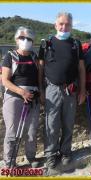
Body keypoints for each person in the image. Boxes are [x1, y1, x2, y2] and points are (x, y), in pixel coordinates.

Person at [38, 12, 86, 169]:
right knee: (51, 124)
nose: (64, 27)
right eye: (61, 24)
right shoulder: (46, 43)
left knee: (68, 123)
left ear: (71, 26)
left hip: (70, 90)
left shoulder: (76, 44)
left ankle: (65, 152)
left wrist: (82, 90)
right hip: (51, 89)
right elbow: (40, 68)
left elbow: (81, 68)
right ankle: (50, 154)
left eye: (67, 24)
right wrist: (41, 90)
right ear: (55, 25)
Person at [2, 26, 40, 168]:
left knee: (31, 130)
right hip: (14, 98)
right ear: (17, 40)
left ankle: (31, 157)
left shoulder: (34, 57)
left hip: (33, 98)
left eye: (29, 38)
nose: (26, 40)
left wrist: (39, 93)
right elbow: (5, 80)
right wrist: (21, 92)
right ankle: (9, 161)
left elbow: (39, 78)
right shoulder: (10, 56)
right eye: (22, 38)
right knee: (12, 131)